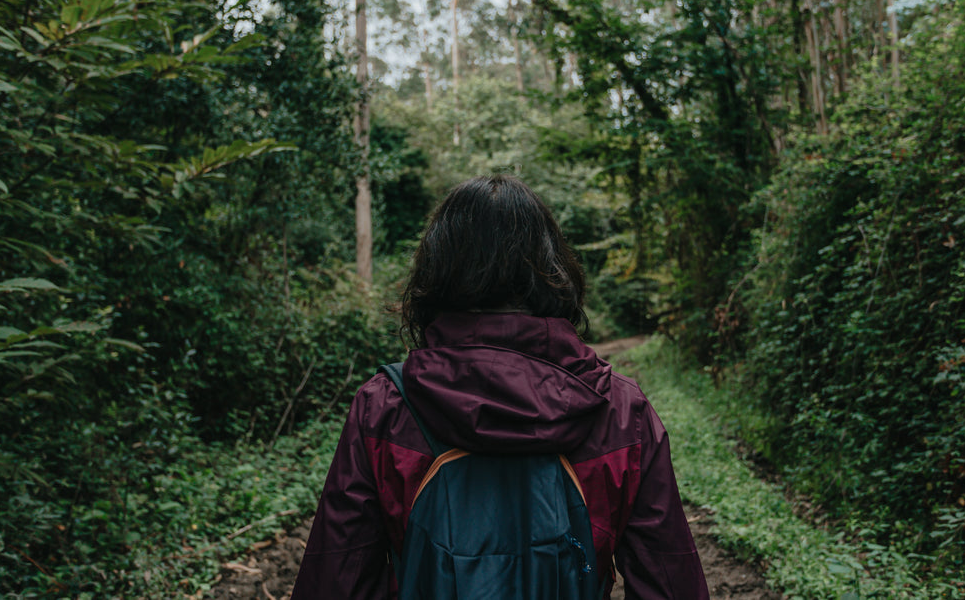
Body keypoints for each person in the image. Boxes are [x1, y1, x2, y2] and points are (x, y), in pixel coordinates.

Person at [290, 174, 709, 599]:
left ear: (437, 270)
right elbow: (668, 585)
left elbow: (337, 581)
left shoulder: (384, 407)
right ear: (553, 268)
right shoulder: (620, 410)